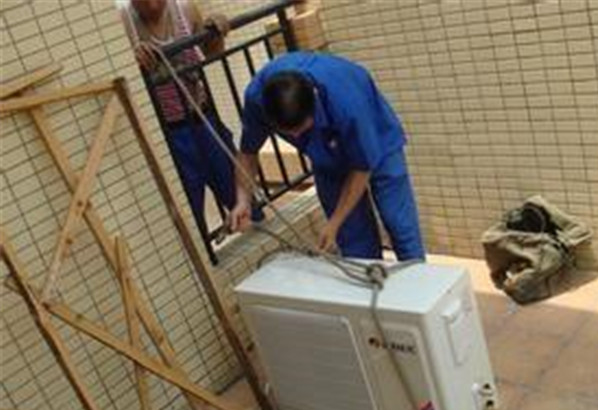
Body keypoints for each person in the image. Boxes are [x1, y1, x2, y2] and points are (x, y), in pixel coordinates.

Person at [229, 52, 425, 261]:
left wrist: (334, 222)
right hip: (325, 155)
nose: (295, 137)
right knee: (352, 236)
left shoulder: (347, 104)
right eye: (288, 134)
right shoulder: (257, 100)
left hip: (377, 137)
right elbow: (248, 153)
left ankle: (417, 273)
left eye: (301, 130)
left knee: (398, 222)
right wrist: (243, 200)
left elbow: (361, 169)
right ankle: (368, 273)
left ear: (314, 103)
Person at [120, 0, 263, 263]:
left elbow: (212, 55)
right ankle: (202, 263)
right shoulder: (123, 25)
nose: (151, 4)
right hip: (169, 133)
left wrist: (216, 32)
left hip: (204, 118)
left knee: (238, 190)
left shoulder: (185, 10)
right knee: (188, 210)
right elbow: (120, 79)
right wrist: (131, 61)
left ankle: (266, 248)